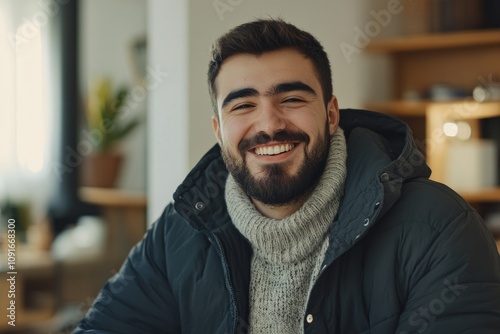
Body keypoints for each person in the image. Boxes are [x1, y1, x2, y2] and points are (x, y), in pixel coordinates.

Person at [74, 19, 500, 334]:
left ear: (331, 114)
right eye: (242, 106)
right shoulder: (180, 232)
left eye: (291, 98)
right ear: (219, 131)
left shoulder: (440, 226)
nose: (269, 124)